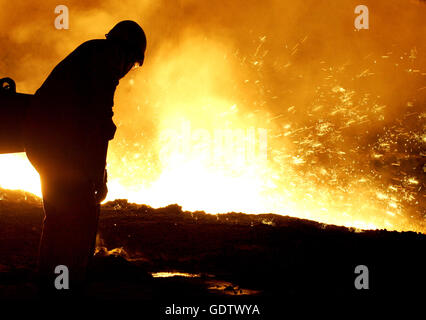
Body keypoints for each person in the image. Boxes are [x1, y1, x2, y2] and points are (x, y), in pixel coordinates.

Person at [24, 20, 146, 296]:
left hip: (43, 143)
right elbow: (99, 124)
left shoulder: (92, 52)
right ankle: (67, 286)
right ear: (128, 54)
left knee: (57, 216)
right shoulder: (107, 61)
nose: (129, 71)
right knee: (80, 217)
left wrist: (95, 172)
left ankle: (50, 283)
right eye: (134, 64)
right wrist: (97, 177)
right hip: (59, 148)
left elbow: (91, 122)